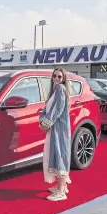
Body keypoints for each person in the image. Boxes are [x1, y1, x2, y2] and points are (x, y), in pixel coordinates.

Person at [39, 67, 72, 201]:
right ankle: (61, 187)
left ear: (63, 78)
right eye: (55, 76)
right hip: (56, 128)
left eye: (59, 76)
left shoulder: (60, 89)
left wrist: (45, 123)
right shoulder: (55, 90)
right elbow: (49, 109)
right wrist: (43, 119)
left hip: (58, 129)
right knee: (58, 154)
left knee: (59, 155)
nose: (57, 78)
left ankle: (60, 192)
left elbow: (56, 110)